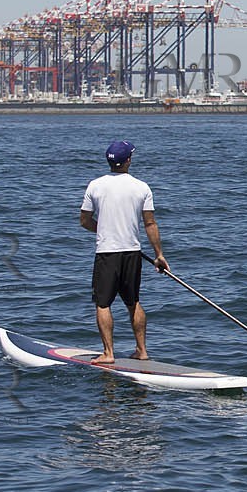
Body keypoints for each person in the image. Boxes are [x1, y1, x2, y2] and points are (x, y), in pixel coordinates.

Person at [79, 140, 168, 364]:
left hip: (107, 252)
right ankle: (142, 350)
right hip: (132, 253)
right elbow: (150, 224)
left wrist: (106, 228)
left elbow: (84, 221)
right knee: (133, 301)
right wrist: (159, 255)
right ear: (128, 160)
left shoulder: (94, 186)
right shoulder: (141, 187)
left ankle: (108, 353)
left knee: (103, 303)